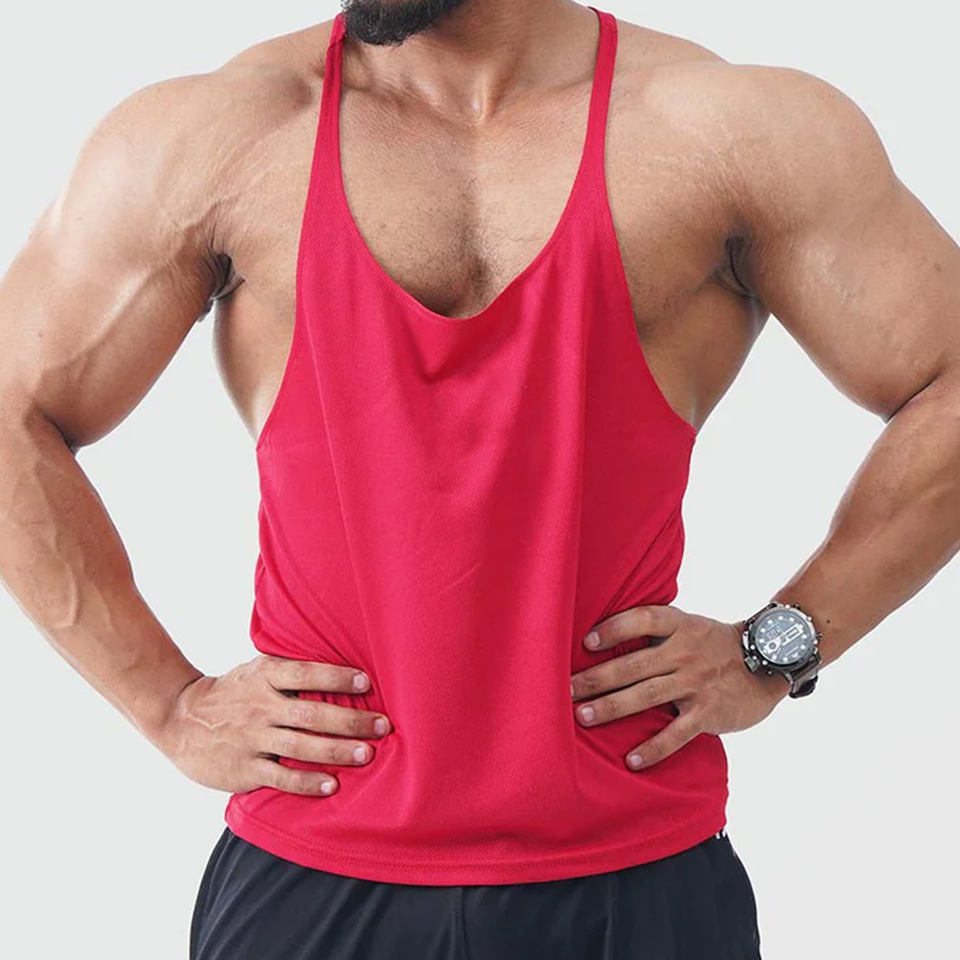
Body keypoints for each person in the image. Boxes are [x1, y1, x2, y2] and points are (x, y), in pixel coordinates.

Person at [1, 0, 957, 956]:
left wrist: (778, 645)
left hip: (634, 869)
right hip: (312, 865)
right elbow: (13, 412)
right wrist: (168, 707)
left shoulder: (729, 133)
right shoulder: (218, 137)